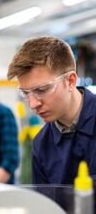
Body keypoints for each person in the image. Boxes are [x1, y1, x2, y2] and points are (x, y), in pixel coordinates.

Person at [7, 35, 96, 187]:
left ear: (70, 80)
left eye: (41, 90)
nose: (33, 104)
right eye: (26, 93)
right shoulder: (41, 144)